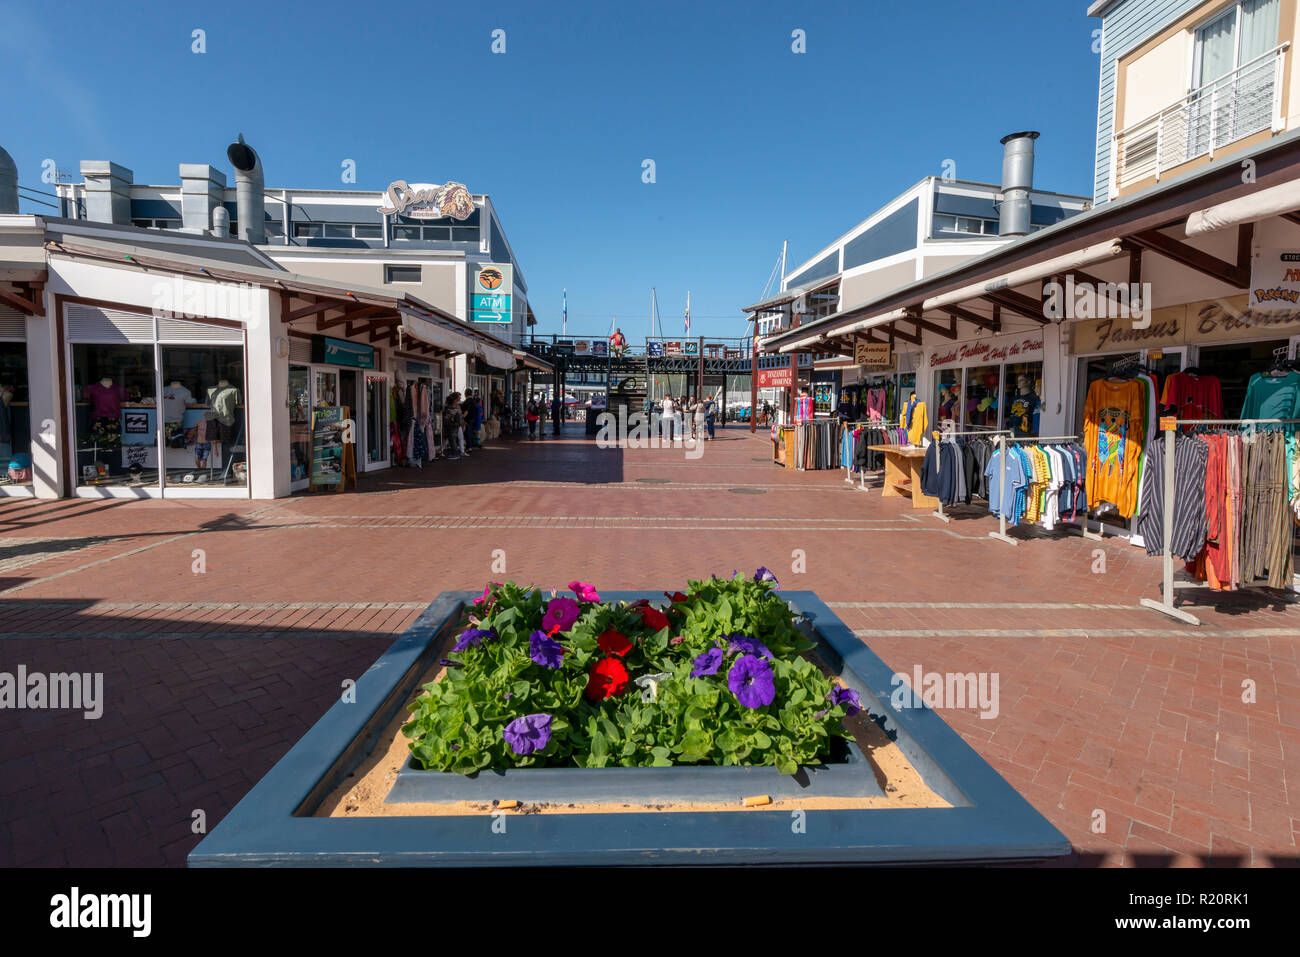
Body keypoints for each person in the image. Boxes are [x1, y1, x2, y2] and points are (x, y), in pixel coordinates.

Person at [443, 392, 464, 459]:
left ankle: (455, 454)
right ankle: (456, 452)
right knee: (453, 439)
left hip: (452, 426)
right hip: (455, 425)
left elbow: (448, 417)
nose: (459, 399)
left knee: (452, 439)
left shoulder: (451, 409)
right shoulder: (455, 408)